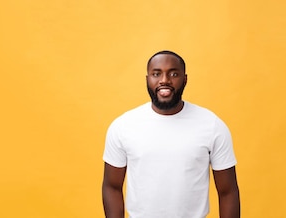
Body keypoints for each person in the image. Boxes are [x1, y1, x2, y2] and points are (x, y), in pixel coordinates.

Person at [102, 50, 240, 218]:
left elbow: (228, 192)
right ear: (147, 79)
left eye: (173, 73)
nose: (164, 80)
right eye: (156, 73)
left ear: (185, 79)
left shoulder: (212, 125)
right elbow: (112, 186)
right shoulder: (123, 126)